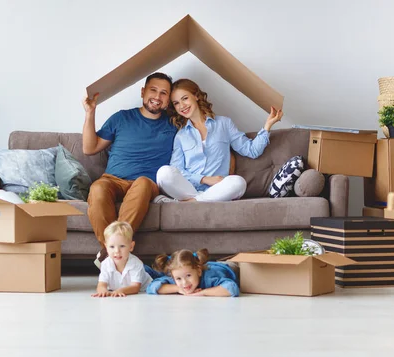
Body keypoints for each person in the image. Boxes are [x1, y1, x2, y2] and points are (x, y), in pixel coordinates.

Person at [82, 73, 177, 265]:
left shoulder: (174, 124)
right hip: (112, 180)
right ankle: (114, 255)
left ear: (169, 99)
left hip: (146, 183)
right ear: (143, 92)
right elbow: (89, 148)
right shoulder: (121, 118)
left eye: (163, 93)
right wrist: (90, 112)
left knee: (142, 183)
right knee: (98, 188)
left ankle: (109, 257)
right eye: (153, 90)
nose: (157, 97)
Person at [154, 78, 283, 203]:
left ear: (196, 96)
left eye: (185, 98)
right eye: (176, 103)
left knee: (239, 182)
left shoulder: (224, 124)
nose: (182, 106)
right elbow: (178, 169)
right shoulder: (180, 136)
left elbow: (252, 150)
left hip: (218, 189)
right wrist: (204, 179)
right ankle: (199, 199)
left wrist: (267, 126)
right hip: (188, 189)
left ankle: (191, 202)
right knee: (164, 173)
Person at [92, 221, 152, 297]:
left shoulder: (136, 263)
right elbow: (101, 284)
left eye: (122, 246)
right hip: (119, 288)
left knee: (159, 278)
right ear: (106, 247)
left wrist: (120, 290)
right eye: (112, 247)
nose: (117, 251)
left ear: (131, 246)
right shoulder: (105, 264)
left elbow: (135, 287)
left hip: (144, 286)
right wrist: (102, 290)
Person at [146, 248, 239, 297]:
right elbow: (151, 287)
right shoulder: (176, 279)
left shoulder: (210, 278)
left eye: (188, 275)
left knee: (235, 265)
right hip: (205, 265)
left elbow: (232, 288)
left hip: (225, 267)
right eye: (178, 278)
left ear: (198, 271)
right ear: (173, 277)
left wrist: (203, 292)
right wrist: (178, 289)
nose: (184, 282)